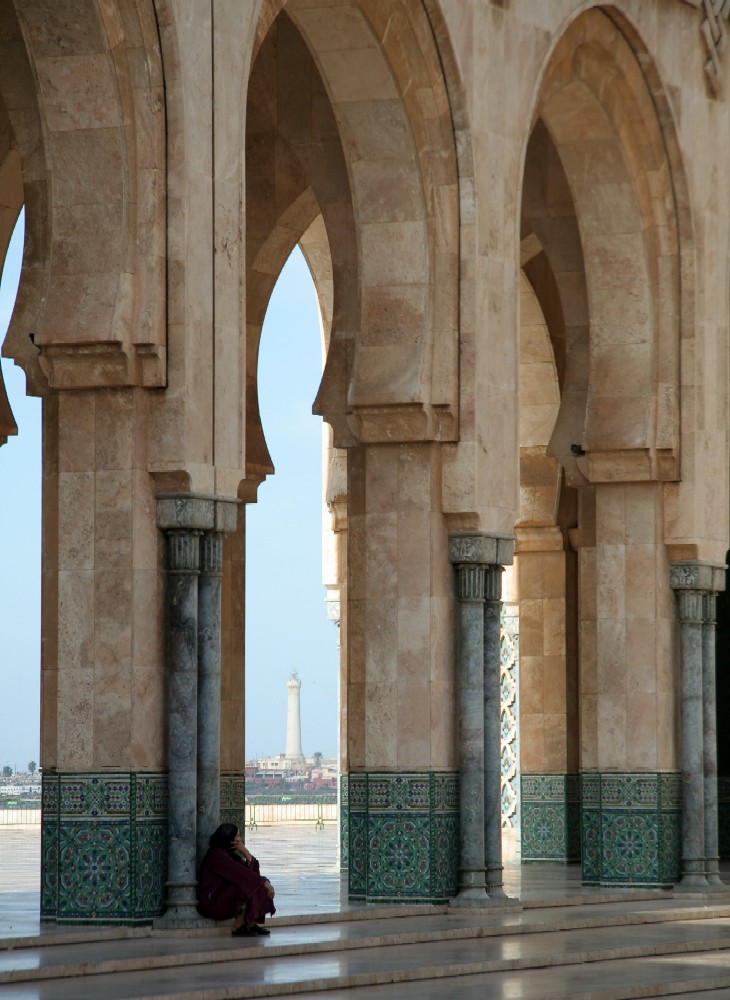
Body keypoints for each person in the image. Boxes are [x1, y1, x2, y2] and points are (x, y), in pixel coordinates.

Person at [197, 823, 276, 936]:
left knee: (256, 883)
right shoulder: (217, 855)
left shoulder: (230, 855)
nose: (239, 839)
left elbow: (251, 873)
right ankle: (238, 926)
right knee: (248, 884)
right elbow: (242, 874)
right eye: (237, 836)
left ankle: (250, 923)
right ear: (229, 838)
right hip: (212, 904)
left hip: (223, 899)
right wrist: (264, 882)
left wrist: (246, 853)